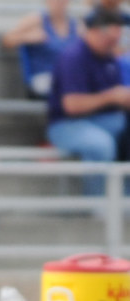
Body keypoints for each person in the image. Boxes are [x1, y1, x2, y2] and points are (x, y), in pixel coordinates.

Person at [47, 4, 130, 194]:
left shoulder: (109, 57)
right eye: (110, 38)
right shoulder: (74, 57)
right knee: (100, 145)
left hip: (106, 121)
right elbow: (72, 106)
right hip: (67, 125)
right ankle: (97, 204)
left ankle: (126, 200)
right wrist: (111, 96)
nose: (113, 43)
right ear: (96, 31)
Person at [1, 0, 78, 100]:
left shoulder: (76, 25)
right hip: (44, 77)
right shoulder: (36, 20)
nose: (59, 2)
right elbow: (6, 40)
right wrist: (27, 37)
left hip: (68, 77)